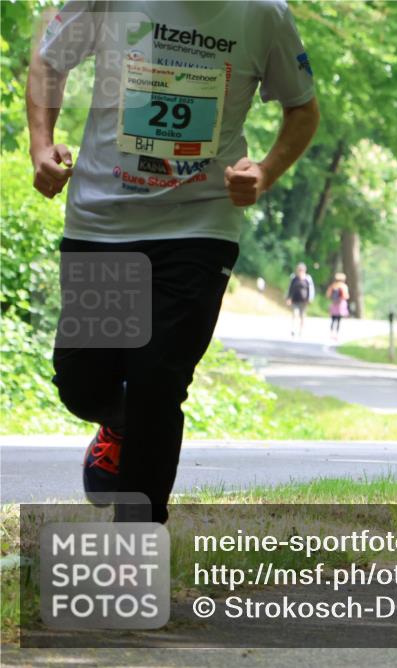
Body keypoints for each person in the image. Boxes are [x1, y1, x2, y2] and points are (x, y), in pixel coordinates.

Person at [31, 1, 319, 523]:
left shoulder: (263, 14)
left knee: (157, 383)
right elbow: (51, 61)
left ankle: (135, 548)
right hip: (106, 218)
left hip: (199, 225)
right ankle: (119, 425)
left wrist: (267, 173)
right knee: (83, 384)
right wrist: (41, 146)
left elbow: (303, 107)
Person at [286, 262, 314, 337]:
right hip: (295, 299)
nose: (300, 271)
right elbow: (290, 288)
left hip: (304, 300)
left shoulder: (307, 278)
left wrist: (310, 298)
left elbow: (311, 289)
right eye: (299, 269)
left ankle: (301, 331)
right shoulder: (294, 278)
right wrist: (288, 298)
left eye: (302, 269)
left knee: (302, 316)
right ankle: (293, 329)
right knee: (295, 314)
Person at [325, 272, 350, 341]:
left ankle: (331, 333)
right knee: (338, 320)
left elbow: (328, 295)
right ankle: (336, 334)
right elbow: (346, 296)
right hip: (341, 305)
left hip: (334, 304)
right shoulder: (344, 286)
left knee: (333, 320)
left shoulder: (333, 286)